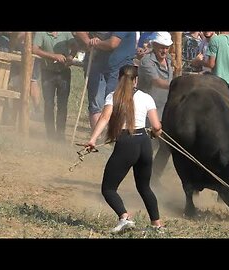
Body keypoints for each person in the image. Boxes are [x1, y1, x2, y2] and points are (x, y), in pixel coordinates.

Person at [85, 65, 164, 233]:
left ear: (120, 79)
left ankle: (124, 217)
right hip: (143, 142)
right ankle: (157, 225)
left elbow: (105, 118)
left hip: (126, 143)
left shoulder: (113, 97)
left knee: (108, 188)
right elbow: (156, 126)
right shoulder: (146, 97)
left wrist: (92, 139)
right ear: (136, 80)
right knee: (144, 187)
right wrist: (156, 132)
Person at [73, 32, 137, 132]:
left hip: (120, 69)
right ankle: (97, 138)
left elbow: (112, 44)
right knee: (96, 104)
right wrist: (88, 41)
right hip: (97, 65)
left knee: (115, 103)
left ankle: (113, 136)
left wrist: (96, 43)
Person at [137, 32, 174, 186]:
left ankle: (154, 176)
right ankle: (142, 177)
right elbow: (156, 81)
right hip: (148, 109)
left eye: (167, 48)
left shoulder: (171, 60)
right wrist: (177, 85)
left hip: (166, 108)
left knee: (166, 148)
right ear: (154, 45)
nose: (164, 51)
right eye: (161, 47)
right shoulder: (147, 61)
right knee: (147, 147)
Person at [32, 32, 77, 142]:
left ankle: (61, 134)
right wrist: (53, 56)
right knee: (49, 104)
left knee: (63, 105)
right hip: (48, 72)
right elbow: (34, 49)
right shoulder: (41, 33)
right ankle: (50, 134)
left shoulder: (66, 33)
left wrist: (71, 56)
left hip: (64, 72)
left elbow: (75, 45)